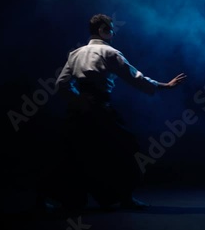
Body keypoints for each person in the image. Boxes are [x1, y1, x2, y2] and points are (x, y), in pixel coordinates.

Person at [47, 13, 186, 211]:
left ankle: (64, 199)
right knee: (125, 149)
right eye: (110, 28)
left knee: (71, 151)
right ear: (102, 31)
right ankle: (125, 198)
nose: (113, 32)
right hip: (100, 109)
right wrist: (166, 85)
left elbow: (61, 84)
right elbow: (135, 77)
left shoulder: (75, 53)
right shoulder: (110, 53)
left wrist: (78, 100)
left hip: (79, 111)